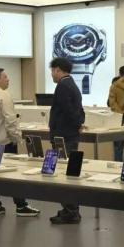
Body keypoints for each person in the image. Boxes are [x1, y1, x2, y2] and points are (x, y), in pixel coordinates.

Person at [0, 68, 40, 217]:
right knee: (14, 174)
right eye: (5, 77)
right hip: (5, 142)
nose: (8, 79)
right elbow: (10, 120)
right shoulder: (4, 95)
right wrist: (17, 138)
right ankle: (21, 205)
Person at [48, 58, 85, 225]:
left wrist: (77, 124)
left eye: (52, 71)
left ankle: (71, 211)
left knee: (64, 173)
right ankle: (70, 209)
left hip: (63, 135)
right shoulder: (72, 84)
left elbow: (68, 110)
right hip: (69, 134)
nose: (51, 75)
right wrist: (79, 123)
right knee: (68, 171)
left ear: (58, 70)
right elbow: (78, 109)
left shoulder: (63, 86)